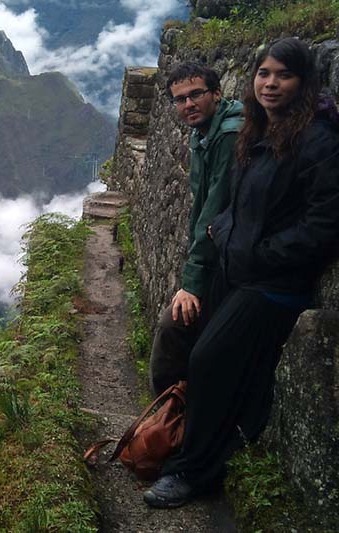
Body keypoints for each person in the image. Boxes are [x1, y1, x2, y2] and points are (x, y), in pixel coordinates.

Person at [144, 37, 339, 508]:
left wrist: (260, 254)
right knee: (192, 339)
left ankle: (194, 472)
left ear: (304, 81)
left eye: (283, 75)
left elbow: (322, 226)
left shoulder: (318, 141)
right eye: (264, 74)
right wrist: (223, 230)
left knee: (210, 359)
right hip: (241, 265)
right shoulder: (259, 130)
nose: (271, 84)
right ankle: (184, 430)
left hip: (275, 284)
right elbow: (233, 200)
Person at [150, 63, 243, 396]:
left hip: (234, 259)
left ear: (216, 93)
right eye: (179, 99)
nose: (187, 104)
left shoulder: (229, 136)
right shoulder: (204, 132)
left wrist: (191, 282)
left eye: (196, 95)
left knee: (172, 327)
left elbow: (213, 210)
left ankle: (164, 421)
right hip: (220, 251)